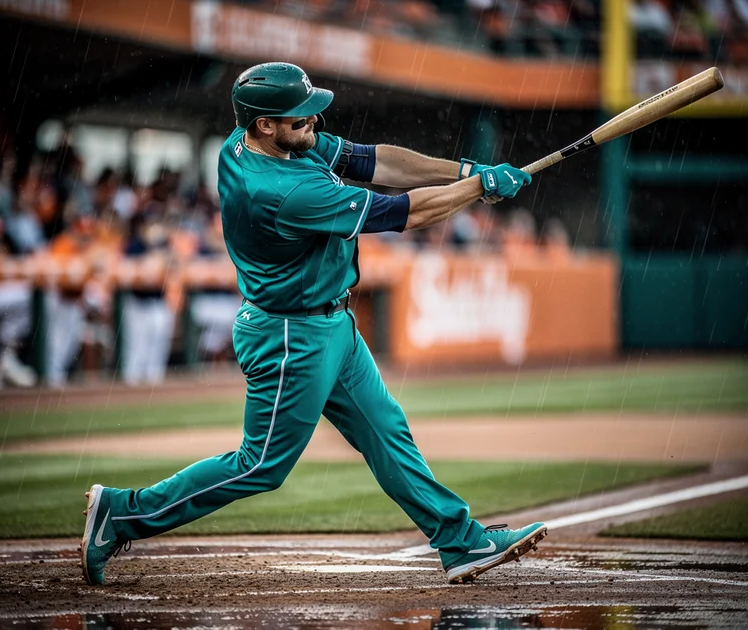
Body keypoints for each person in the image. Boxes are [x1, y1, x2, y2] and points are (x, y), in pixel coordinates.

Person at [80, 61, 546, 587]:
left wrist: (464, 172)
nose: (314, 125)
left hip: (331, 325)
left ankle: (459, 542)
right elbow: (402, 213)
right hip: (290, 336)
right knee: (260, 466)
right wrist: (477, 191)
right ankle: (121, 514)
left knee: (386, 433)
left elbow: (374, 162)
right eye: (301, 119)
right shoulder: (278, 190)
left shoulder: (260, 141)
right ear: (264, 124)